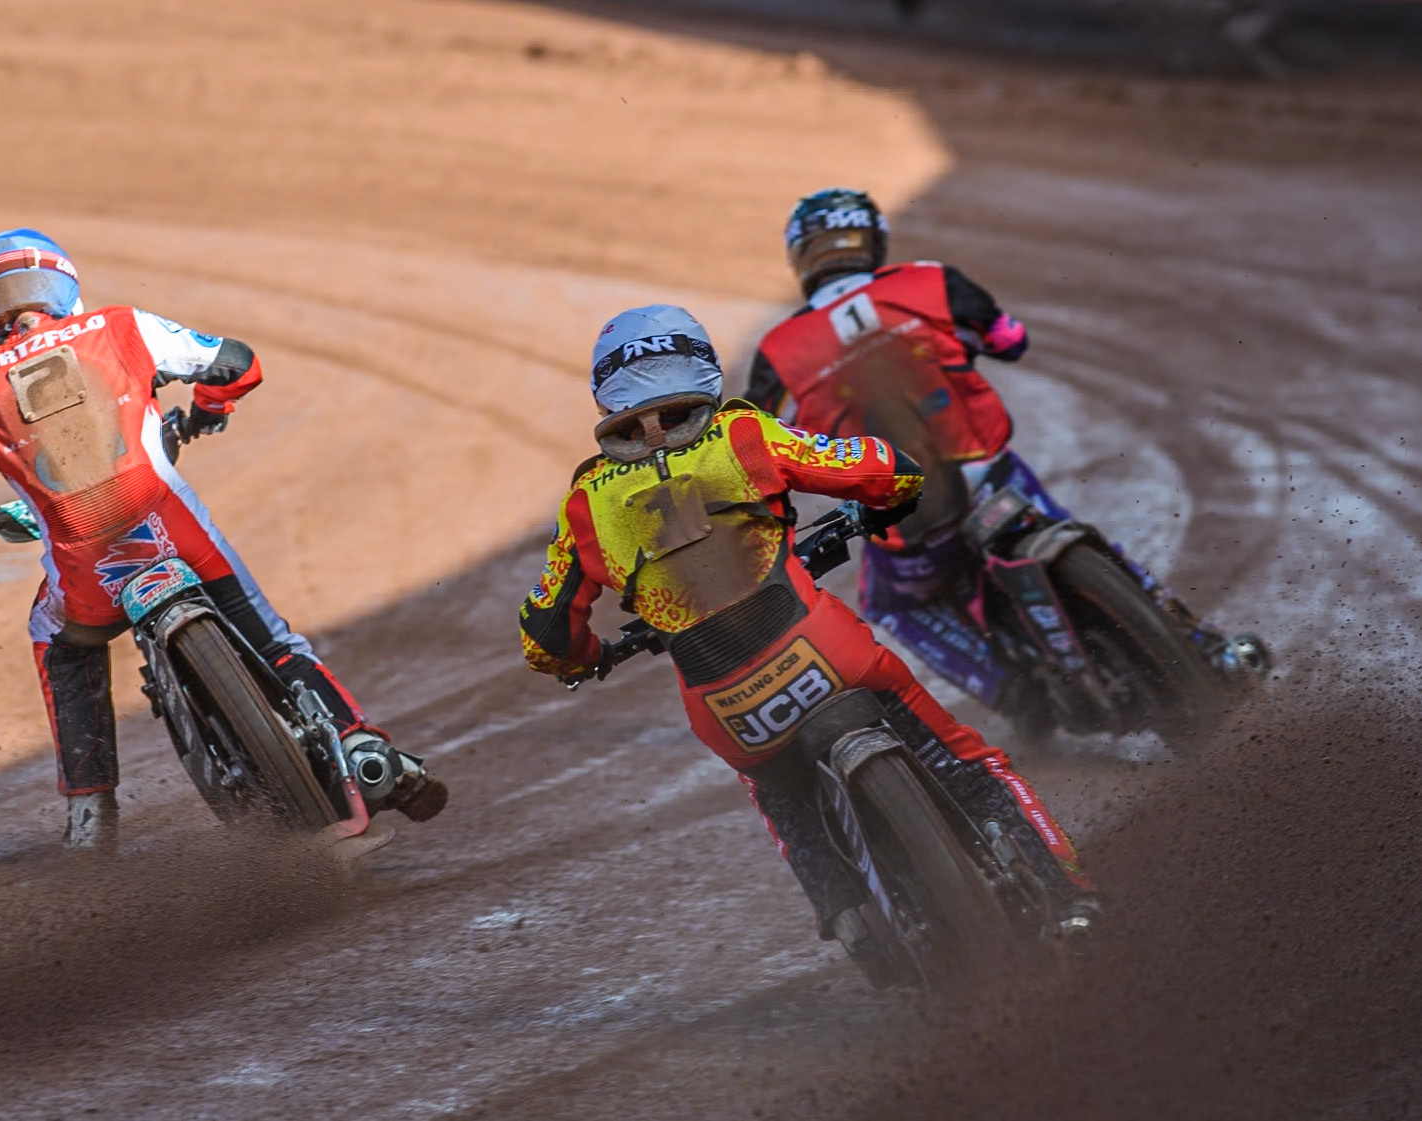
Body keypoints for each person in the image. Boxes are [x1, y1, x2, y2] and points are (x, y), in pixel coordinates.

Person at [518, 303, 1096, 978]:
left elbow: (544, 636)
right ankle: (1070, 896)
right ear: (700, 364)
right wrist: (893, 493)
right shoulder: (740, 433)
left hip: (724, 705)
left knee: (783, 798)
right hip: (827, 651)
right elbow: (882, 467)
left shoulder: (586, 500)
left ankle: (853, 919)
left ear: (606, 393)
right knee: (973, 765)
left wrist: (589, 657)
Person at [0, 229, 444, 848]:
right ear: (66, 288)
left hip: (87, 573)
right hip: (177, 533)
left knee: (57, 641)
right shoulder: (123, 326)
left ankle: (90, 814)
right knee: (275, 641)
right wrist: (209, 409)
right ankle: (358, 744)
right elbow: (238, 364)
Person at [745, 188, 1266, 729]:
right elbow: (1010, 340)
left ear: (801, 256)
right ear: (872, 240)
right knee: (1068, 526)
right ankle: (1208, 649)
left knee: (892, 606)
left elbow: (756, 448)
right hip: (989, 475)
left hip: (903, 518)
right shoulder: (931, 280)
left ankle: (1016, 694)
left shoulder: (778, 348)